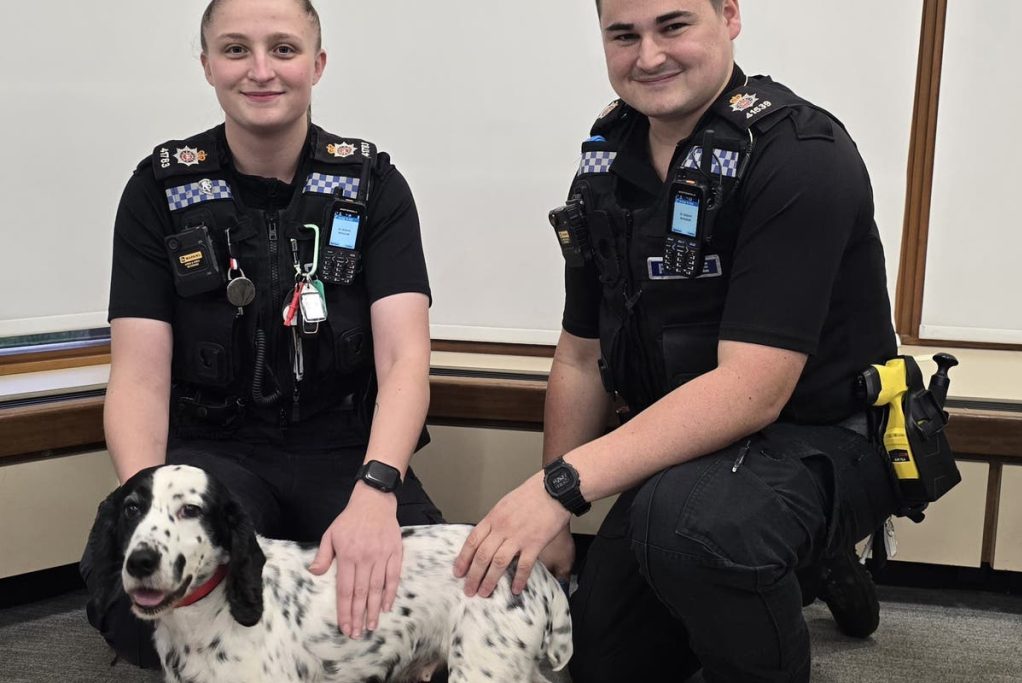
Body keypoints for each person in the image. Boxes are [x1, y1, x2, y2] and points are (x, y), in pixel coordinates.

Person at [454, 0, 899, 680]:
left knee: (691, 529)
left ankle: (810, 554)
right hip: (690, 450)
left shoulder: (803, 156)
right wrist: (555, 522)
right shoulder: (608, 160)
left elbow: (752, 391)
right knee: (601, 659)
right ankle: (791, 558)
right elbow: (581, 354)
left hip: (821, 434)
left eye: (674, 25)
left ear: (729, 16)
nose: (649, 55)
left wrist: (558, 488)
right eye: (624, 34)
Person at [81, 0, 442, 669]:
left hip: (344, 448)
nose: (260, 71)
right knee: (137, 613)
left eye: (283, 48)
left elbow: (404, 359)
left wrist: (376, 490)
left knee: (408, 593)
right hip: (218, 453)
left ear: (317, 64)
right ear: (208, 66)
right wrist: (151, 507)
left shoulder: (374, 188)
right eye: (235, 49)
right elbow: (137, 376)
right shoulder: (160, 190)